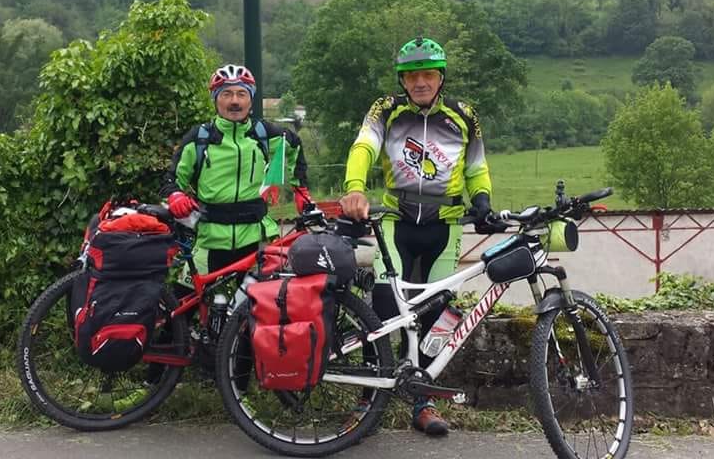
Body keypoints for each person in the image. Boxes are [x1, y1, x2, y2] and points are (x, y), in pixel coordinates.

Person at [339, 37, 493, 436]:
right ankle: (368, 399)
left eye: (428, 74)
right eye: (412, 76)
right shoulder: (386, 109)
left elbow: (476, 165)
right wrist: (355, 186)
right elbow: (364, 145)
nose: (420, 82)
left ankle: (422, 402)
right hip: (396, 218)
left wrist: (483, 200)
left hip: (446, 222)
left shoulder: (463, 114)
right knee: (385, 304)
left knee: (439, 310)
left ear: (440, 78)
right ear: (403, 81)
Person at [161, 64, 312, 279]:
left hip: (254, 237)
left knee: (259, 307)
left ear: (250, 100)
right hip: (210, 239)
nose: (235, 101)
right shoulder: (200, 138)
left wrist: (301, 190)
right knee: (188, 302)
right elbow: (171, 179)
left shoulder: (263, 133)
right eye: (226, 94)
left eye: (242, 94)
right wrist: (175, 195)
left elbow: (294, 146)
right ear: (215, 99)